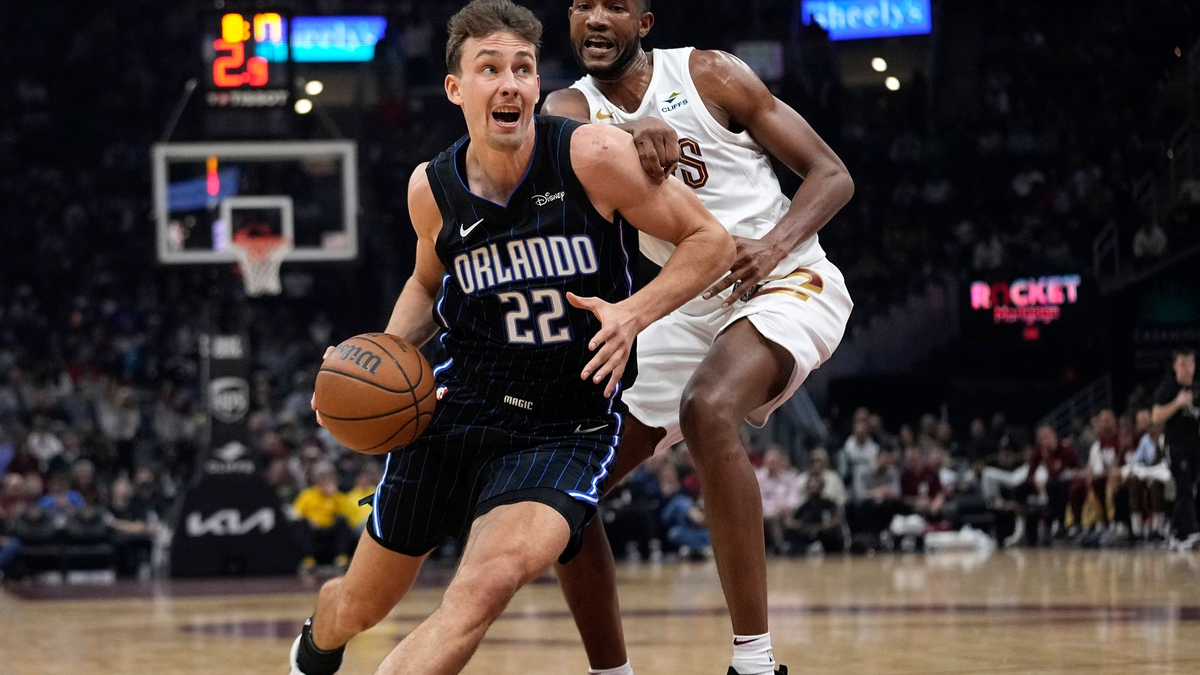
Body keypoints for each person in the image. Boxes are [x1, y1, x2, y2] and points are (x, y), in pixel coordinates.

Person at [288, 2, 734, 674]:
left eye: (523, 68)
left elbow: (711, 241)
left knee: (484, 585)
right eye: (490, 68)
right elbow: (426, 285)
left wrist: (634, 312)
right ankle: (314, 651)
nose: (510, 83)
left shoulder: (592, 156)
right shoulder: (431, 189)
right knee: (357, 605)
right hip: (457, 407)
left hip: (563, 427)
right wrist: (367, 360)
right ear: (455, 88)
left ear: (535, 84)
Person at [543, 1, 854, 673]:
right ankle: (610, 671)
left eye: (614, 6)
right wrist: (631, 133)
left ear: (645, 23)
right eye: (583, 5)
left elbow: (832, 174)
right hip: (683, 305)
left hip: (786, 280)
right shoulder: (568, 106)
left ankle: (755, 661)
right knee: (562, 486)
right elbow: (567, 147)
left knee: (707, 409)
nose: (595, 18)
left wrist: (773, 246)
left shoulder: (710, 74)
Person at [1152, 347, 1199, 549]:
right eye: (1183, 364)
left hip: (1195, 447)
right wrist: (1177, 403)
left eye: (1191, 363)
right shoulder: (1168, 388)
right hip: (1176, 447)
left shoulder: (1196, 389)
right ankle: (1190, 531)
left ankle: (1175, 531)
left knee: (1191, 489)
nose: (1187, 368)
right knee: (1184, 487)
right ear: (1175, 366)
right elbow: (1156, 417)